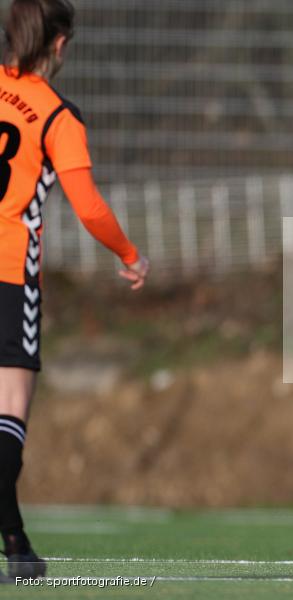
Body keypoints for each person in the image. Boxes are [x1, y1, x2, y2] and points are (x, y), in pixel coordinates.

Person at [0, 0, 149, 581]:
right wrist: (129, 255)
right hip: (10, 272)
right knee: (10, 411)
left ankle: (16, 545)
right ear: (59, 44)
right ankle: (15, 545)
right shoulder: (57, 115)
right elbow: (88, 206)